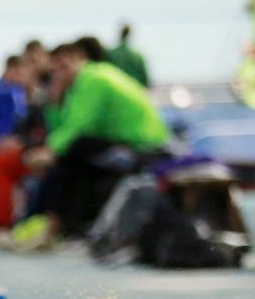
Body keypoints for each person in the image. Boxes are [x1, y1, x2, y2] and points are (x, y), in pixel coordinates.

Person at [16, 42, 170, 246]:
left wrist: (49, 152)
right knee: (72, 154)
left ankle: (50, 222)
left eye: (64, 66)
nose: (59, 73)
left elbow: (80, 126)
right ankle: (54, 223)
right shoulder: (79, 85)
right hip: (123, 142)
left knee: (73, 152)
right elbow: (62, 128)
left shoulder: (94, 78)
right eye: (56, 69)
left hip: (144, 144)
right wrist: (55, 98)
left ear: (79, 59)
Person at [0, 55, 29, 154]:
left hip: (14, 141)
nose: (20, 75)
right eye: (17, 72)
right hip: (0, 142)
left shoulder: (20, 91)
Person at [106, 24, 150, 88]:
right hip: (133, 90)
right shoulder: (137, 56)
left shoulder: (111, 54)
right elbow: (145, 79)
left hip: (116, 89)